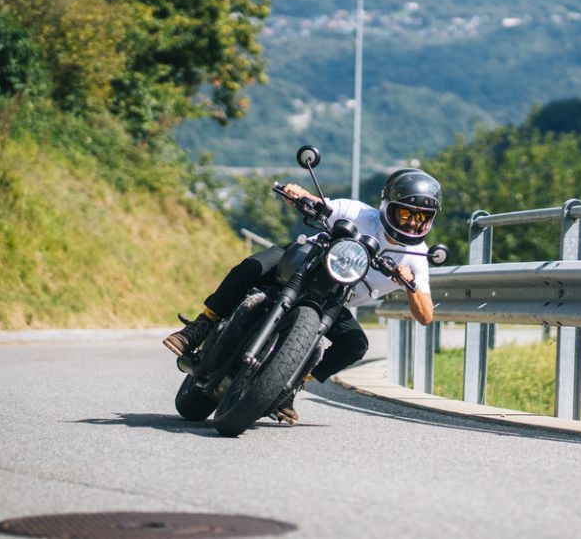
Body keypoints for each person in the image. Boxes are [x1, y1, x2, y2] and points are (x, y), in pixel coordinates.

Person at [163, 168, 442, 424]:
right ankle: (200, 326)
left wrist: (410, 282)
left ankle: (290, 384)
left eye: (421, 217)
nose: (412, 223)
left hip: (333, 300)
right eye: (405, 214)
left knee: (355, 345)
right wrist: (299, 196)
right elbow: (321, 204)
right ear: (387, 207)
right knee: (252, 267)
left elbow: (426, 314)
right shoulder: (357, 213)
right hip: (302, 265)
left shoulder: (417, 258)